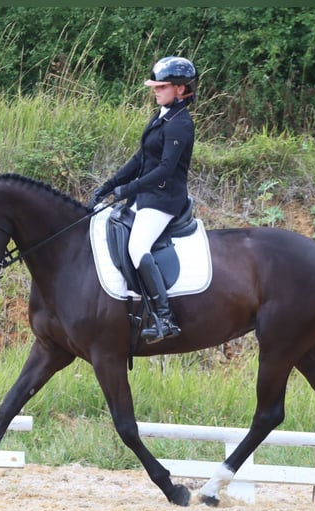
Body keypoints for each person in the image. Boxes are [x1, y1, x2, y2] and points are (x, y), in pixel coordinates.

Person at [90, 56, 197, 344]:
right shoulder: (163, 115)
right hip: (147, 194)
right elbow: (141, 158)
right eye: (155, 86)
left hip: (164, 199)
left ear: (180, 89)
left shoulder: (180, 124)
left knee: (138, 246)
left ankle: (164, 317)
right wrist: (110, 185)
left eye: (162, 87)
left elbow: (164, 169)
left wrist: (129, 189)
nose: (155, 91)